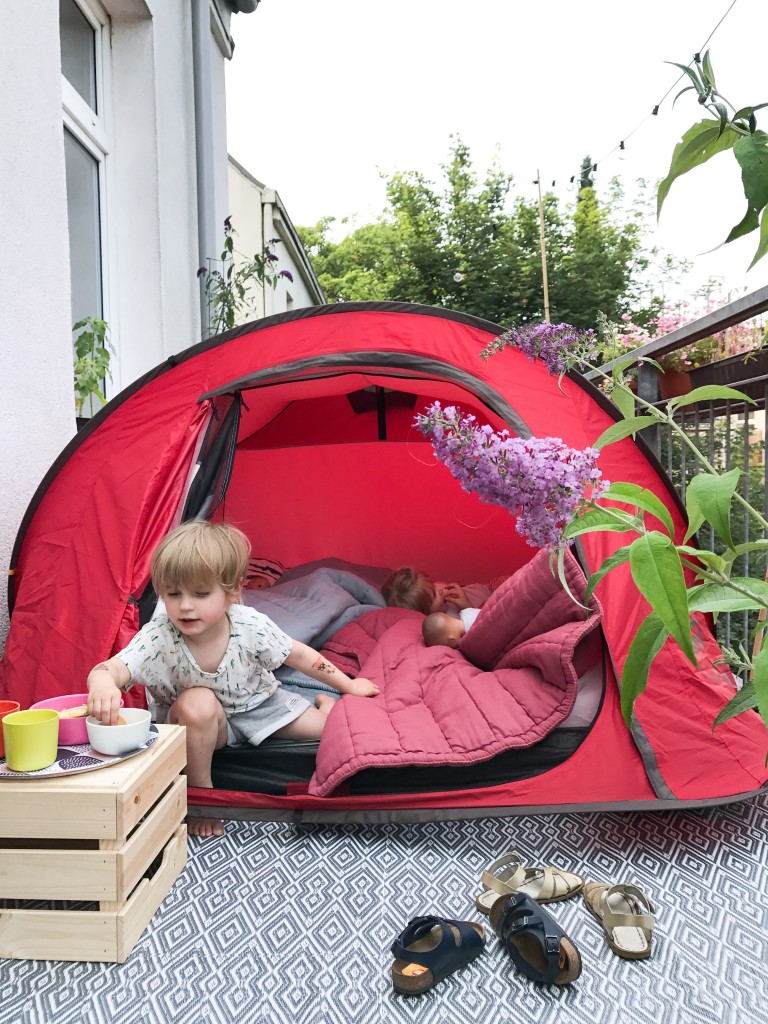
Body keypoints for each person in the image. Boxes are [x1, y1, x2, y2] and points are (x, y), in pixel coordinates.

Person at [86, 521, 379, 839]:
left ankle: (321, 706)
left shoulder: (250, 626)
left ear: (231, 593)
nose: (185, 605)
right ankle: (203, 798)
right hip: (197, 721)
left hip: (259, 706)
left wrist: (350, 686)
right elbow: (111, 668)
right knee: (198, 700)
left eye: (200, 594)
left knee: (338, 732)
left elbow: (300, 657)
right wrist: (102, 682)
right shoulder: (158, 636)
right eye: (173, 593)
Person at [382, 566, 491, 616]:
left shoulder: (444, 599)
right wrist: (468, 608)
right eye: (434, 594)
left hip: (490, 588)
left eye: (433, 584)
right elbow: (481, 630)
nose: (440, 589)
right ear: (426, 614)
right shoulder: (448, 624)